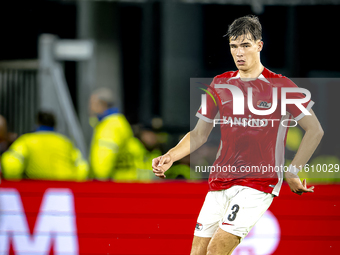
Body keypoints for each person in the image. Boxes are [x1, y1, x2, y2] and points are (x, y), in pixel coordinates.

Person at [152, 15, 323, 255]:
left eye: (245, 45)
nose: (239, 52)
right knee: (197, 253)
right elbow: (200, 134)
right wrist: (171, 155)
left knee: (216, 251)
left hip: (258, 183)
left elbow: (315, 129)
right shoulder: (220, 84)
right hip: (220, 181)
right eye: (234, 46)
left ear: (259, 46)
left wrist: (293, 171)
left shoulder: (281, 86)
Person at [1, 111, 88, 181]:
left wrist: (15, 183)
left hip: (37, 188)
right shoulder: (66, 142)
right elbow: (82, 166)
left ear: (37, 124)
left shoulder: (26, 140)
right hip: (65, 187)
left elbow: (11, 165)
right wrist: (75, 184)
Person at [89, 88, 152, 181]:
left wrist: (96, 181)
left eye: (92, 104)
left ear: (102, 105)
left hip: (115, 185)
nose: (90, 109)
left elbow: (101, 168)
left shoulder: (109, 127)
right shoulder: (120, 121)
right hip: (127, 181)